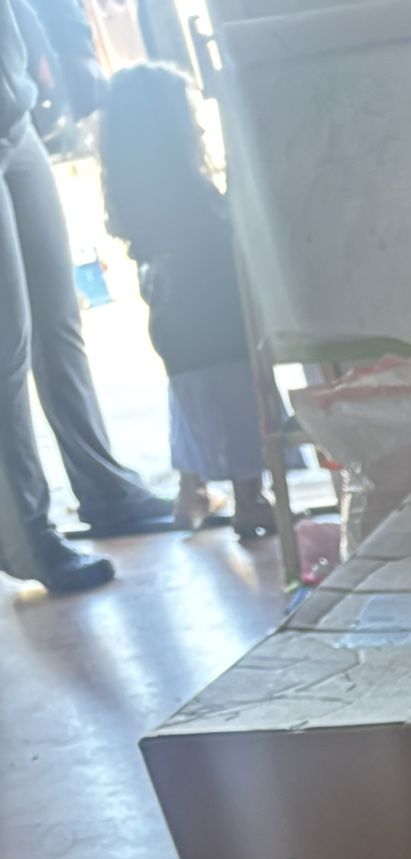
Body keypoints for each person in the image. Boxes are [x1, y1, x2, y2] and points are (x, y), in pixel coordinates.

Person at [0, 0, 176, 593]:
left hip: (15, 116)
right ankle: (29, 539)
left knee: (60, 322)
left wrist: (58, 48)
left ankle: (105, 489)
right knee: (6, 344)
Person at [99, 64, 274, 541]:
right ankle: (250, 501)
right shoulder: (197, 198)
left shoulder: (137, 201)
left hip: (174, 331)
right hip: (221, 327)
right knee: (240, 409)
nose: (199, 127)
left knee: (193, 405)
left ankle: (190, 492)